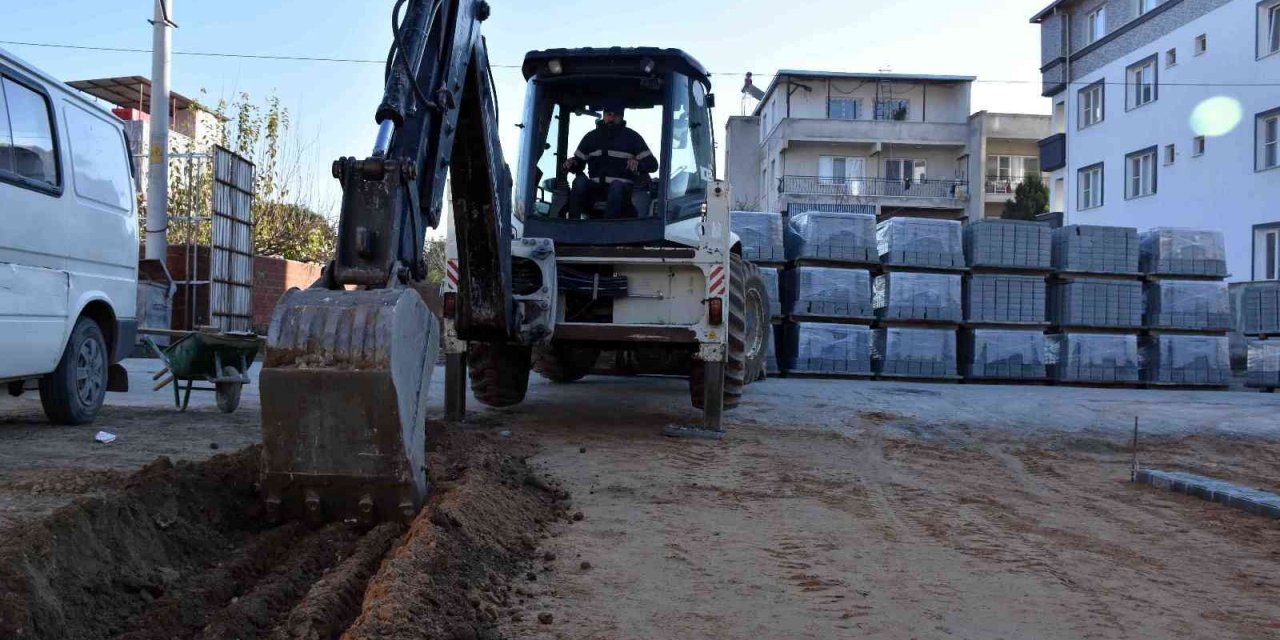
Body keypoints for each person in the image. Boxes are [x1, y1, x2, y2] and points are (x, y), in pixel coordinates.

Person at [562, 100, 658, 219]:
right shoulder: (590, 138)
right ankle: (572, 223)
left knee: (616, 185)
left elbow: (652, 165)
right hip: (595, 189)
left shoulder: (633, 138)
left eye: (615, 115)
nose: (611, 118)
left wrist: (638, 164)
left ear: (621, 117)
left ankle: (609, 227)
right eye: (608, 115)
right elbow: (578, 164)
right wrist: (572, 163)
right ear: (604, 116)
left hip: (622, 191)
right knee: (579, 181)